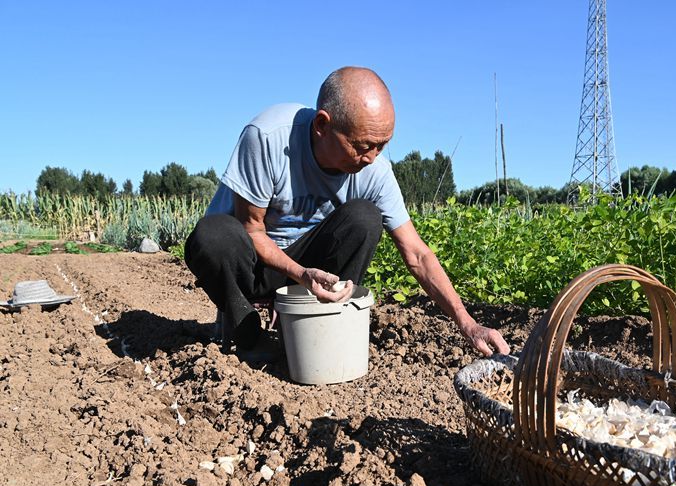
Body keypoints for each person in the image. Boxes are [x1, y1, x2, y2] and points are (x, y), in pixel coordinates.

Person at [185, 66, 509, 359]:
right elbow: (253, 229)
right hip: (251, 261)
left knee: (364, 217)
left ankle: (312, 322)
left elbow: (417, 254)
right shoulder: (268, 137)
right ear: (322, 125)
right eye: (363, 145)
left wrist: (468, 324)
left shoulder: (374, 171)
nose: (372, 157)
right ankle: (243, 321)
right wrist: (301, 274)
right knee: (211, 236)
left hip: (306, 273)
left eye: (382, 145)